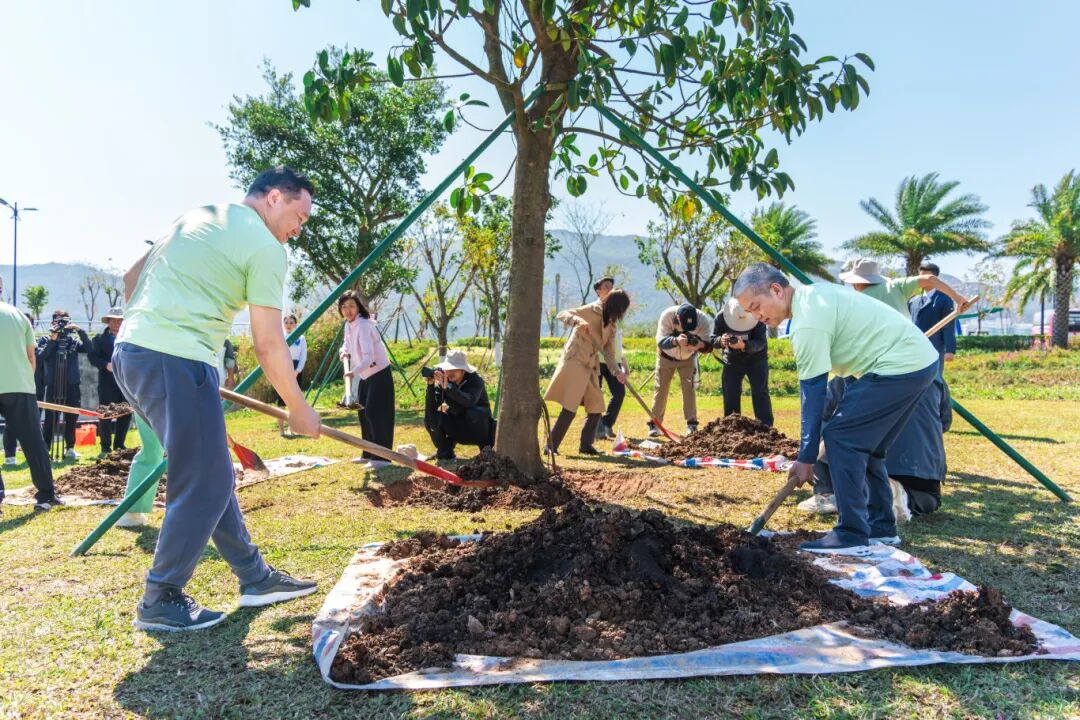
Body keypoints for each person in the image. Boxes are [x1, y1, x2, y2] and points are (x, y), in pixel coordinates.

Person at [113, 165, 322, 631]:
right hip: (175, 359)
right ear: (273, 198)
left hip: (133, 353)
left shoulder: (200, 216)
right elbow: (268, 343)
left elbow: (132, 278)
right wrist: (297, 405)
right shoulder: (266, 248)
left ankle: (254, 576)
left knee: (209, 471)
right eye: (299, 216)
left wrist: (155, 326)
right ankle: (161, 597)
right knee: (205, 479)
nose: (298, 229)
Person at [734, 263, 939, 556]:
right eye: (750, 312)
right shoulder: (815, 296)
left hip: (899, 365)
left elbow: (813, 394)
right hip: (918, 362)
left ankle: (852, 533)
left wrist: (805, 458)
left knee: (841, 438)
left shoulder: (807, 321)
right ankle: (881, 526)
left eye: (756, 307)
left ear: (777, 290)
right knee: (870, 448)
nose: (757, 317)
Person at [801, 374, 951, 520]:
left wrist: (806, 458)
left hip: (871, 464)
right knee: (930, 497)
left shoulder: (853, 372)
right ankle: (902, 499)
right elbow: (945, 423)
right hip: (922, 469)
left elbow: (821, 411)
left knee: (821, 423)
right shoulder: (931, 371)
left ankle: (826, 493)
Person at [544, 290, 630, 455]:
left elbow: (609, 354)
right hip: (576, 360)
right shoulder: (591, 310)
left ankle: (586, 445)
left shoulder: (611, 324)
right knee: (571, 405)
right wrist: (578, 321)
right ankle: (551, 446)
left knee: (596, 405)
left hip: (591, 365)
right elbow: (563, 314)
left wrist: (618, 371)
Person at [0, 286, 62, 512]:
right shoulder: (18, 314)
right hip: (19, 385)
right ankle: (46, 495)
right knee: (33, 442)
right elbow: (31, 357)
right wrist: (28, 383)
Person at [338, 290, 394, 466]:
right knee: (363, 413)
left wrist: (352, 372)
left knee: (376, 413)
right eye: (344, 307)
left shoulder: (363, 325)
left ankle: (382, 457)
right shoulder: (349, 324)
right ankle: (368, 454)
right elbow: (347, 343)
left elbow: (369, 357)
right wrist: (343, 351)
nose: (348, 310)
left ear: (358, 307)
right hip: (365, 375)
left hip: (378, 373)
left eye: (352, 306)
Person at [649, 303, 712, 437]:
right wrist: (675, 341)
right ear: (677, 318)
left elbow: (709, 346)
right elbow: (660, 341)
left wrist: (700, 345)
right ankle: (655, 424)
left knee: (689, 388)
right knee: (661, 388)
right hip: (666, 356)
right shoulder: (667, 315)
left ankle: (692, 424)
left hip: (688, 357)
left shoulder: (703, 320)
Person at [710, 296, 773, 426]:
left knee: (760, 392)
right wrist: (720, 341)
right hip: (732, 359)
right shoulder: (721, 317)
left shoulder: (758, 316)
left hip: (757, 359)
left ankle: (766, 427)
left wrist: (744, 346)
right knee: (730, 392)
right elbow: (712, 339)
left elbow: (761, 342)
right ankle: (731, 426)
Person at [839, 257, 970, 320]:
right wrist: (958, 299)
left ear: (856, 283)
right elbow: (930, 279)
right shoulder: (895, 285)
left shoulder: (857, 300)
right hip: (908, 346)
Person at [424, 350, 495, 461]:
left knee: (474, 412)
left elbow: (469, 401)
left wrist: (448, 388)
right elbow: (431, 408)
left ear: (463, 370)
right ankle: (445, 452)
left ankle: (486, 451)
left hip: (479, 428)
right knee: (431, 417)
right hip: (457, 425)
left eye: (454, 369)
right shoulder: (445, 380)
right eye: (448, 369)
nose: (450, 372)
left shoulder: (476, 380)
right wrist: (431, 386)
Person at [40, 309, 92, 460]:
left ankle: (70, 448)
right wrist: (53, 340)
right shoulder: (46, 339)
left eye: (64, 321)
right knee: (51, 418)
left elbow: (89, 349)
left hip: (72, 385)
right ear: (52, 322)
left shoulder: (73, 341)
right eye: (57, 321)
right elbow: (41, 357)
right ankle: (46, 448)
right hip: (53, 385)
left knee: (71, 417)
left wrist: (79, 330)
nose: (61, 325)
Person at [89, 307, 131, 456]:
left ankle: (119, 444)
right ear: (108, 322)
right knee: (105, 413)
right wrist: (105, 365)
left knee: (125, 412)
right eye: (113, 320)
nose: (116, 323)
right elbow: (92, 358)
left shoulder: (129, 339)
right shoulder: (99, 339)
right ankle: (105, 447)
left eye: (120, 320)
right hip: (107, 382)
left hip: (126, 382)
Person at [4, 313, 45, 466]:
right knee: (14, 426)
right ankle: (10, 455)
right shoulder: (17, 324)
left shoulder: (40, 341)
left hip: (29, 385)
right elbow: (31, 357)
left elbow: (36, 357)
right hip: (20, 386)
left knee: (30, 431)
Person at [592, 276, 629, 440]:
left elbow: (617, 342)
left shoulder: (615, 313)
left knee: (619, 393)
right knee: (595, 396)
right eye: (606, 286)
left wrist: (623, 362)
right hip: (596, 360)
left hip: (613, 360)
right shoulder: (594, 311)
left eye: (612, 287)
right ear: (598, 291)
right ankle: (597, 428)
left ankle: (607, 423)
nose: (610, 289)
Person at [909, 262, 958, 373]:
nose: (921, 279)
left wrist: (950, 350)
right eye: (920, 277)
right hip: (914, 348)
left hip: (934, 348)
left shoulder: (944, 299)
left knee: (935, 379)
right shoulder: (913, 301)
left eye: (925, 277)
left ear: (934, 279)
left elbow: (948, 326)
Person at [275, 314, 308, 436]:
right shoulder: (280, 337)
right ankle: (281, 430)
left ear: (296, 324)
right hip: (283, 369)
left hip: (296, 370)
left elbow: (303, 356)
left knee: (294, 401)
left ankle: (292, 429)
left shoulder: (301, 338)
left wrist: (297, 371)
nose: (289, 325)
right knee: (281, 401)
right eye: (286, 322)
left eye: (291, 322)